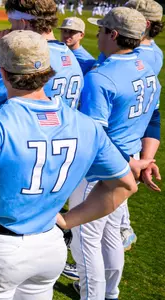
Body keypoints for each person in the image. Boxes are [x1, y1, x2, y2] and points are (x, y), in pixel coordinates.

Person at [0, 29, 139, 300]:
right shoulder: (85, 125)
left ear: (3, 74)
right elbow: (125, 185)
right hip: (50, 246)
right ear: (49, 71)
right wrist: (69, 220)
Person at [70, 8, 158, 299]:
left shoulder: (102, 77)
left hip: (100, 170)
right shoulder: (148, 70)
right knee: (110, 237)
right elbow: (152, 120)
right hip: (128, 163)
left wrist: (131, 161)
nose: (97, 34)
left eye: (102, 29)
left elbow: (96, 135)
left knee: (85, 241)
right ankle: (110, 293)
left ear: (114, 34)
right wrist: (139, 161)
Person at [0, 0, 84, 111]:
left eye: (11, 23)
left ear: (23, 24)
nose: (9, 29)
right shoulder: (70, 56)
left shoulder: (25, 58)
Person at [120, 0, 163, 251]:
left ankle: (123, 230)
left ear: (144, 24)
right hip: (133, 129)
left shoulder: (137, 55)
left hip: (122, 131)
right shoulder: (151, 50)